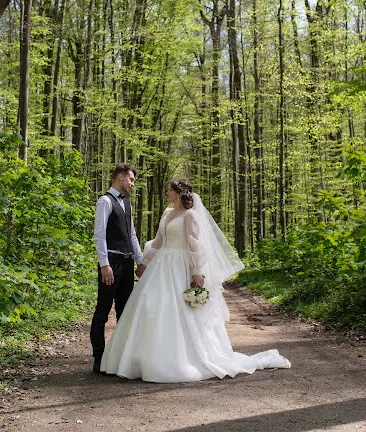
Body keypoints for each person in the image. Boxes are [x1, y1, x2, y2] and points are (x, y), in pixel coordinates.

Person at [100, 178, 291, 382]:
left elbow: (195, 246)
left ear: (179, 193)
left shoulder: (190, 216)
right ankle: (138, 359)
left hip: (180, 267)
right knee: (150, 304)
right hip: (161, 266)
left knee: (181, 312)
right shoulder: (167, 213)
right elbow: (158, 242)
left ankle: (181, 359)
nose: (167, 193)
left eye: (170, 190)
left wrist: (197, 272)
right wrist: (144, 262)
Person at [90, 163, 146, 374]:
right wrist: (104, 265)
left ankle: (121, 359)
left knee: (125, 311)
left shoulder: (128, 204)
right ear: (120, 177)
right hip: (111, 264)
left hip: (127, 262)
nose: (132, 184)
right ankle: (99, 357)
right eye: (131, 179)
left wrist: (140, 261)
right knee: (102, 311)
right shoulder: (104, 201)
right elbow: (100, 235)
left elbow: (131, 235)